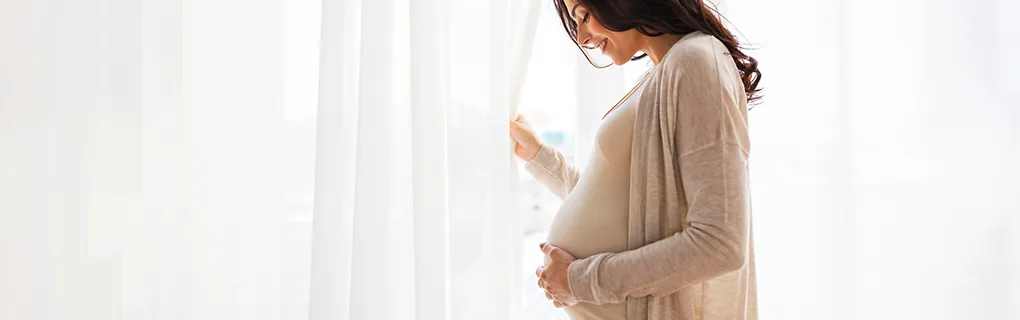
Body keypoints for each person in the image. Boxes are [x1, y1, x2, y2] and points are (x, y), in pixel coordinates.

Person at [508, 0, 762, 319]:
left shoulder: (695, 61)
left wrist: (579, 281)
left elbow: (720, 244)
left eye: (584, 16)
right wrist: (539, 157)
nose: (583, 38)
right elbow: (623, 206)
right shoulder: (663, 71)